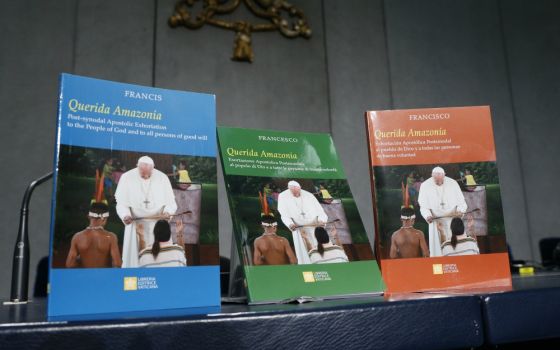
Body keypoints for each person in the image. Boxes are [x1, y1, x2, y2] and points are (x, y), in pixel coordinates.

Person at [115, 156, 178, 267]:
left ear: (153, 168)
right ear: (137, 167)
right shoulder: (127, 177)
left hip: (157, 224)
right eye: (142, 174)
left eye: (148, 174)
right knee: (135, 262)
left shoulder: (162, 178)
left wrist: (168, 212)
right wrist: (125, 215)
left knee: (159, 260)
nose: (145, 177)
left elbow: (171, 203)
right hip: (135, 224)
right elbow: (121, 203)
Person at [418, 166, 467, 257]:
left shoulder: (453, 183)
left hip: (453, 221)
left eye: (441, 180)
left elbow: (462, 203)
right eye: (436, 180)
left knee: (457, 250)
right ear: (432, 176)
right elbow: (423, 207)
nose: (439, 183)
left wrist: (460, 211)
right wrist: (427, 216)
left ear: (444, 175)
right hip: (436, 222)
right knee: (438, 251)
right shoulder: (425, 185)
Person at [277, 180, 328, 264]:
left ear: (300, 188)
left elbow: (321, 212)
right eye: (294, 193)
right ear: (289, 189)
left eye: (298, 192)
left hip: (315, 227)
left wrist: (322, 221)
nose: (297, 194)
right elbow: (284, 215)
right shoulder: (283, 196)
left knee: (322, 250)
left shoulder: (309, 195)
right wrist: (290, 224)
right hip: (299, 229)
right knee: (304, 252)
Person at [66, 202, 122, 268]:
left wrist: (81, 257)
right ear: (104, 218)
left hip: (85, 277)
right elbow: (117, 264)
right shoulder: (111, 237)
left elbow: (69, 264)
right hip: (103, 276)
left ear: (89, 216)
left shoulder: (77, 237)